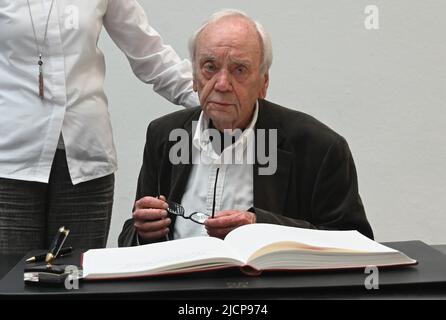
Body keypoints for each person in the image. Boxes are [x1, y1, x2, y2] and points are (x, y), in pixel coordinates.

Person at [118, 9, 373, 247]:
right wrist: (143, 232)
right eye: (209, 67)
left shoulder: (320, 147)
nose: (222, 84)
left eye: (239, 70)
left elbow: (354, 241)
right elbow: (131, 236)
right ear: (194, 78)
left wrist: (261, 228)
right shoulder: (165, 136)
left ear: (263, 83)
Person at [0, 0, 199, 255]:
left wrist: (208, 95)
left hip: (85, 159)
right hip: (10, 160)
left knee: (76, 281)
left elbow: (149, 52)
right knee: (11, 284)